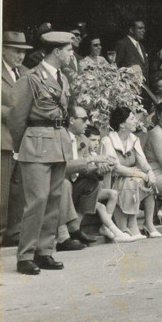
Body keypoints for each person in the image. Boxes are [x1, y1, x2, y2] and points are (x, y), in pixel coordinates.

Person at [7, 31, 78, 275]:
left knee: (53, 200)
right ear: (56, 51)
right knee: (36, 201)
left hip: (58, 143)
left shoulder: (63, 78)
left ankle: (45, 250)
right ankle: (25, 255)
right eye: (68, 50)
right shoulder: (31, 78)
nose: (72, 54)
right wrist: (21, 146)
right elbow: (17, 118)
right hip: (36, 143)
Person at [56, 106, 113, 251]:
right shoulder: (59, 136)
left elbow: (88, 169)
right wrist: (88, 160)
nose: (87, 123)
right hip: (56, 184)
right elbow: (62, 168)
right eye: (84, 119)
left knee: (94, 182)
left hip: (74, 185)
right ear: (71, 120)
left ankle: (75, 227)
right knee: (65, 184)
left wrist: (99, 170)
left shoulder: (84, 140)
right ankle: (63, 236)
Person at [100, 106, 161, 240]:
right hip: (113, 181)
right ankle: (130, 225)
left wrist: (149, 172)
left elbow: (142, 161)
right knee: (135, 180)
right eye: (132, 119)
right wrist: (140, 174)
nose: (135, 122)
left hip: (129, 177)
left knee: (146, 181)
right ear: (122, 124)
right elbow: (116, 168)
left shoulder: (133, 139)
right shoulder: (108, 141)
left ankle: (149, 224)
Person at [1, 31, 31, 247]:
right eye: (16, 51)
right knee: (1, 189)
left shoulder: (26, 73)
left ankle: (14, 232)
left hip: (23, 139)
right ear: (3, 49)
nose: (20, 56)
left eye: (23, 52)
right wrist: (17, 114)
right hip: (2, 137)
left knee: (20, 188)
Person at [114, 19, 150, 85]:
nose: (143, 31)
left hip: (144, 87)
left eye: (144, 28)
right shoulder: (122, 44)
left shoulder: (141, 46)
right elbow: (116, 66)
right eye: (140, 28)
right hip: (130, 88)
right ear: (131, 30)